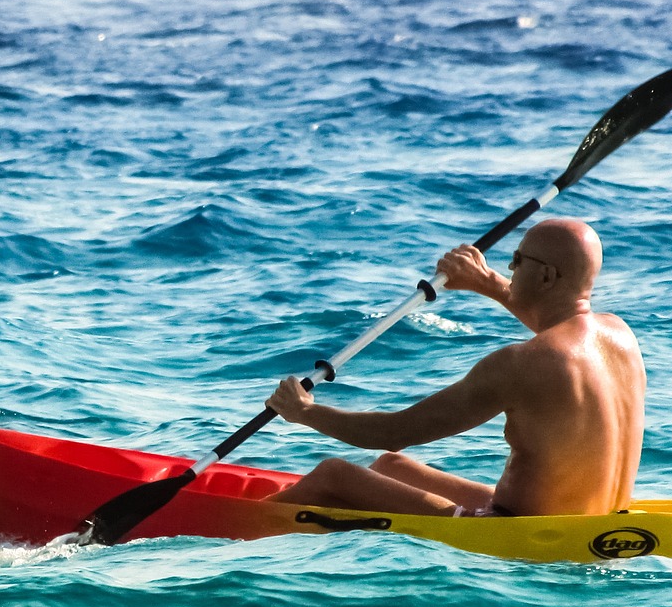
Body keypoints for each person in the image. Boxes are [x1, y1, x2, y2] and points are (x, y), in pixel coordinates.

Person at [263, 217, 646, 517]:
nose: (509, 267)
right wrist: (484, 281)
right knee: (391, 467)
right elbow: (558, 331)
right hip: (594, 515)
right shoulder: (619, 336)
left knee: (335, 474)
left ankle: (236, 524)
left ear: (546, 275)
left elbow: (395, 431)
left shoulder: (520, 364)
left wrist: (306, 412)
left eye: (518, 259)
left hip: (517, 528)